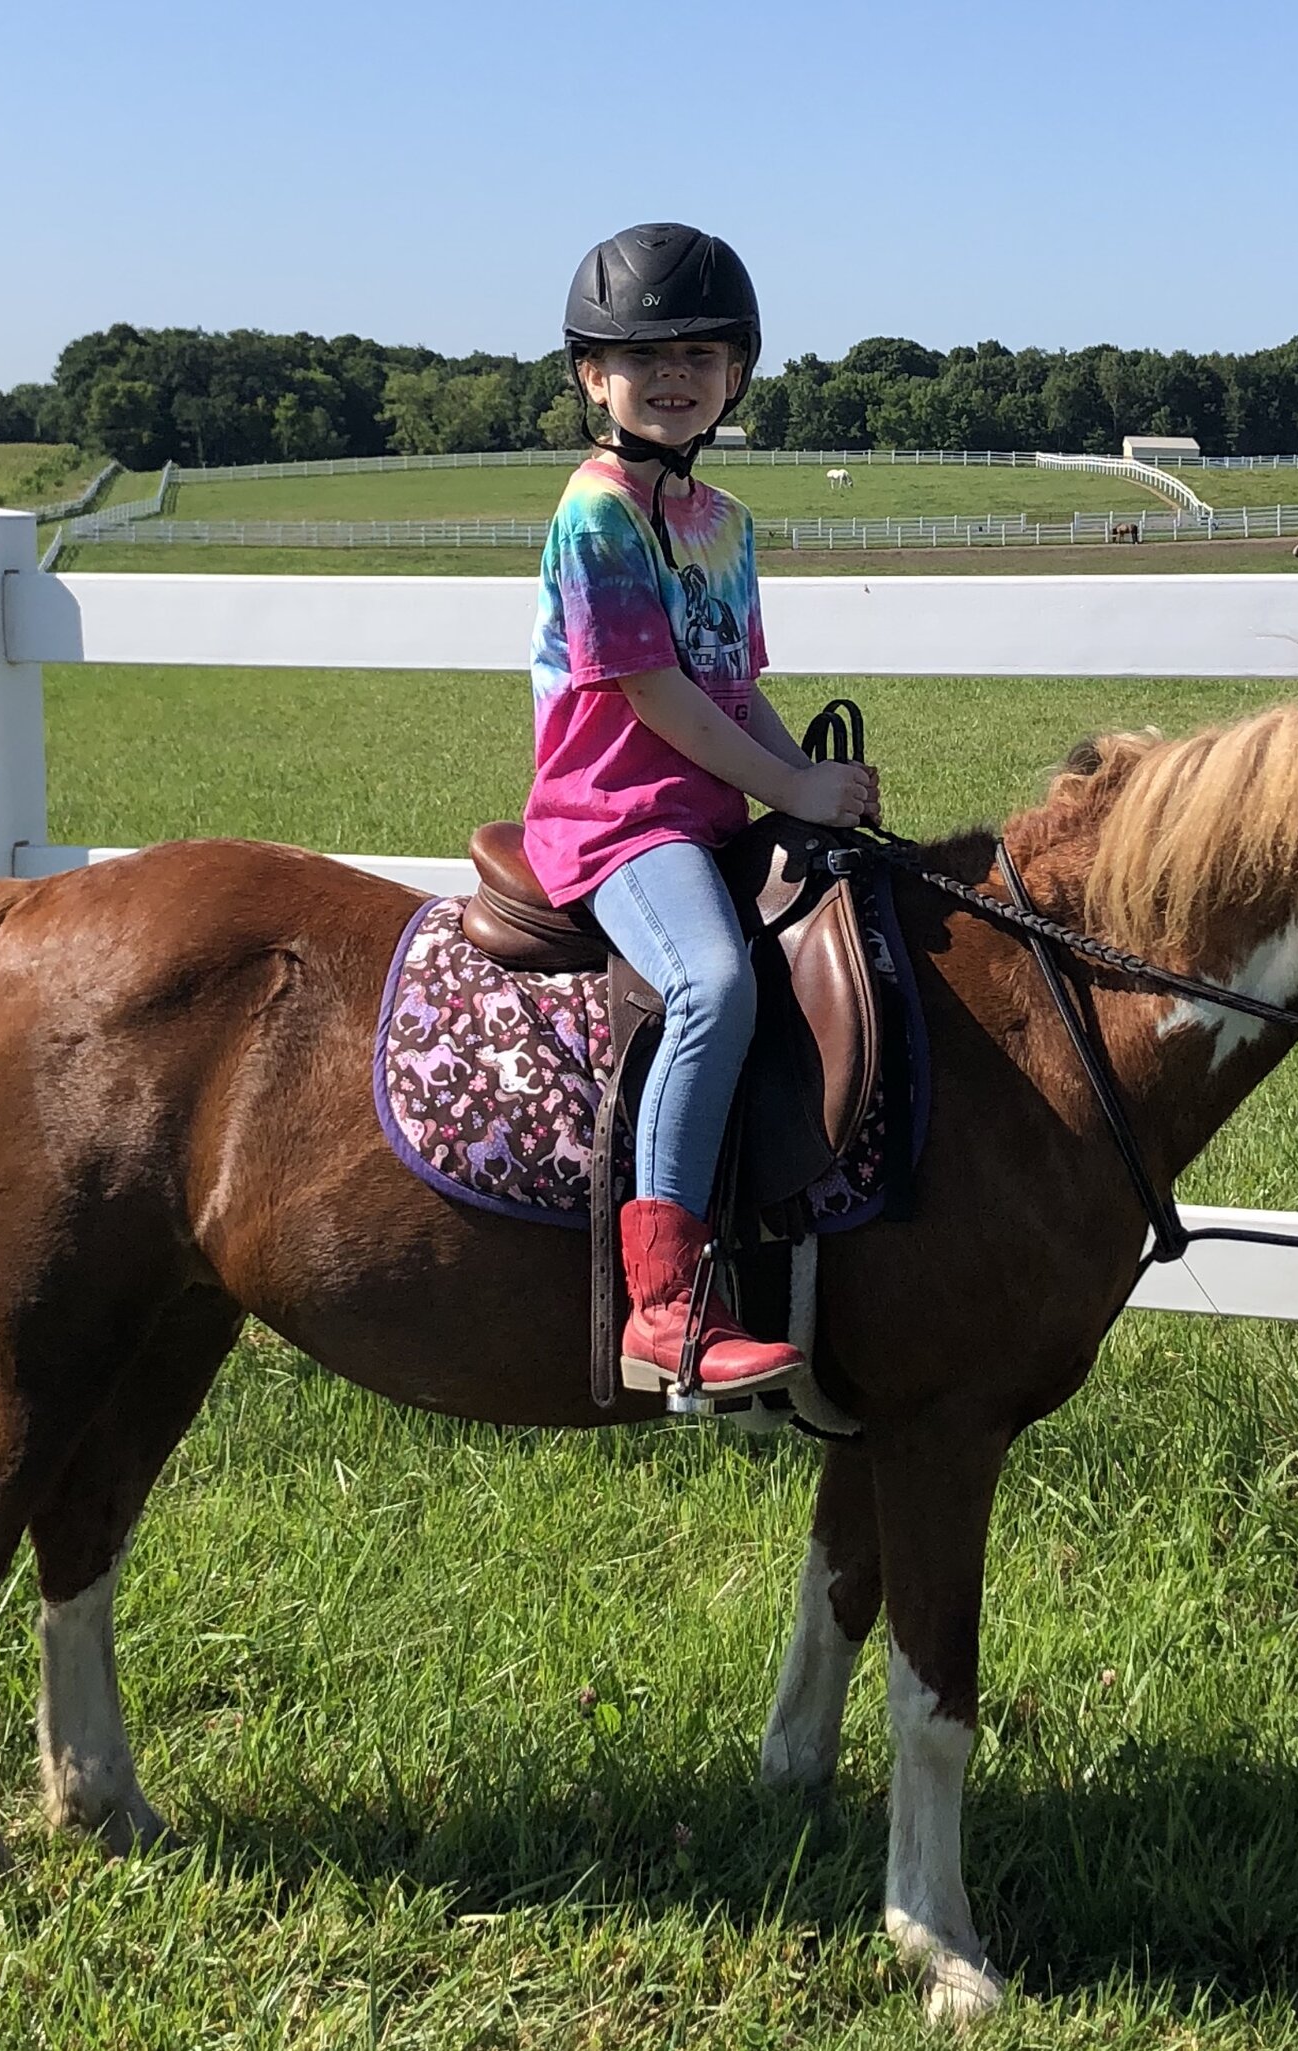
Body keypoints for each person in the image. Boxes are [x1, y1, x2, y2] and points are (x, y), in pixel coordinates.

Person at [524, 223, 878, 1398]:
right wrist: (784, 785)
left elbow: (738, 688)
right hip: (619, 814)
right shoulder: (596, 512)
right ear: (592, 377)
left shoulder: (725, 523)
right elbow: (654, 692)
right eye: (644, 356)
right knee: (712, 984)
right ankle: (664, 1302)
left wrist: (820, 795)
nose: (674, 375)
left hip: (712, 801)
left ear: (735, 375)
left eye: (702, 353)